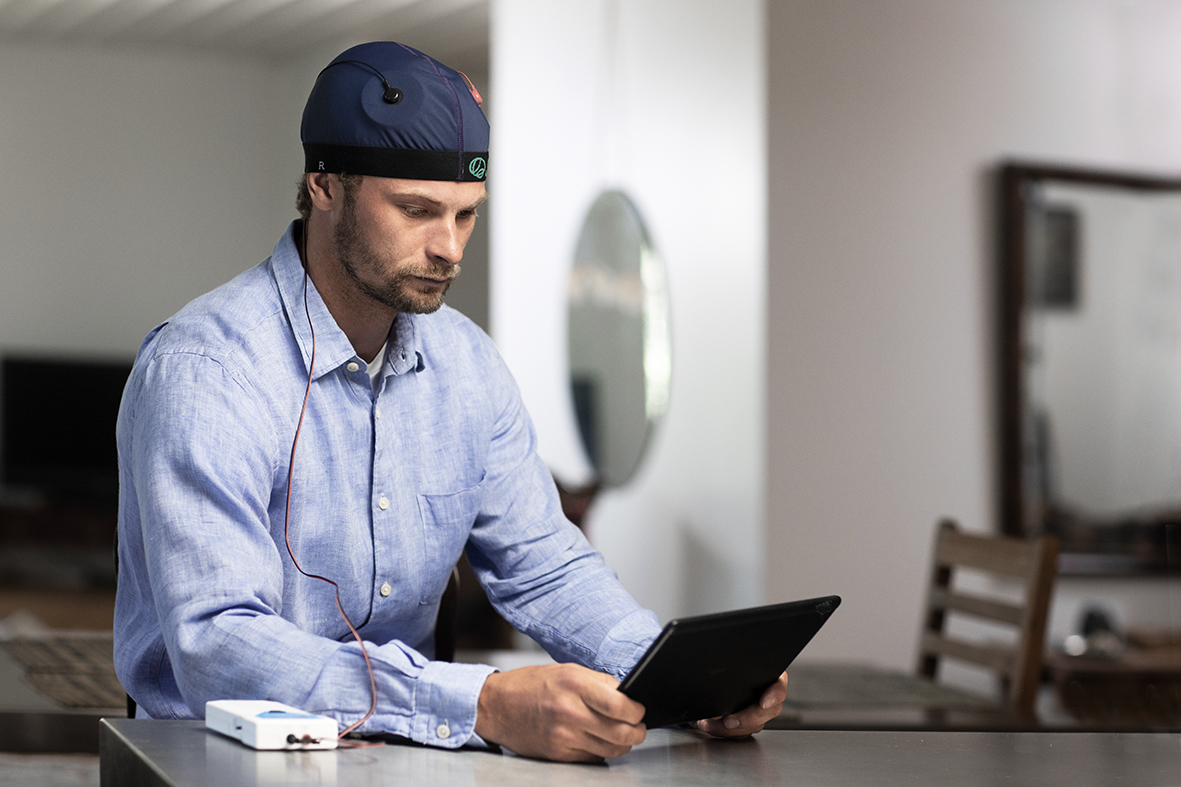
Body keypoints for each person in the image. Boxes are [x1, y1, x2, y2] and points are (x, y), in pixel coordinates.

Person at [113, 41, 786, 762]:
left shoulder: (466, 364)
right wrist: (483, 702)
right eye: (417, 210)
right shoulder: (205, 369)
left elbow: (544, 566)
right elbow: (218, 641)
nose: (448, 247)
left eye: (466, 215)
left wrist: (667, 672)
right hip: (212, 760)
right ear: (324, 186)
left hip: (408, 756)